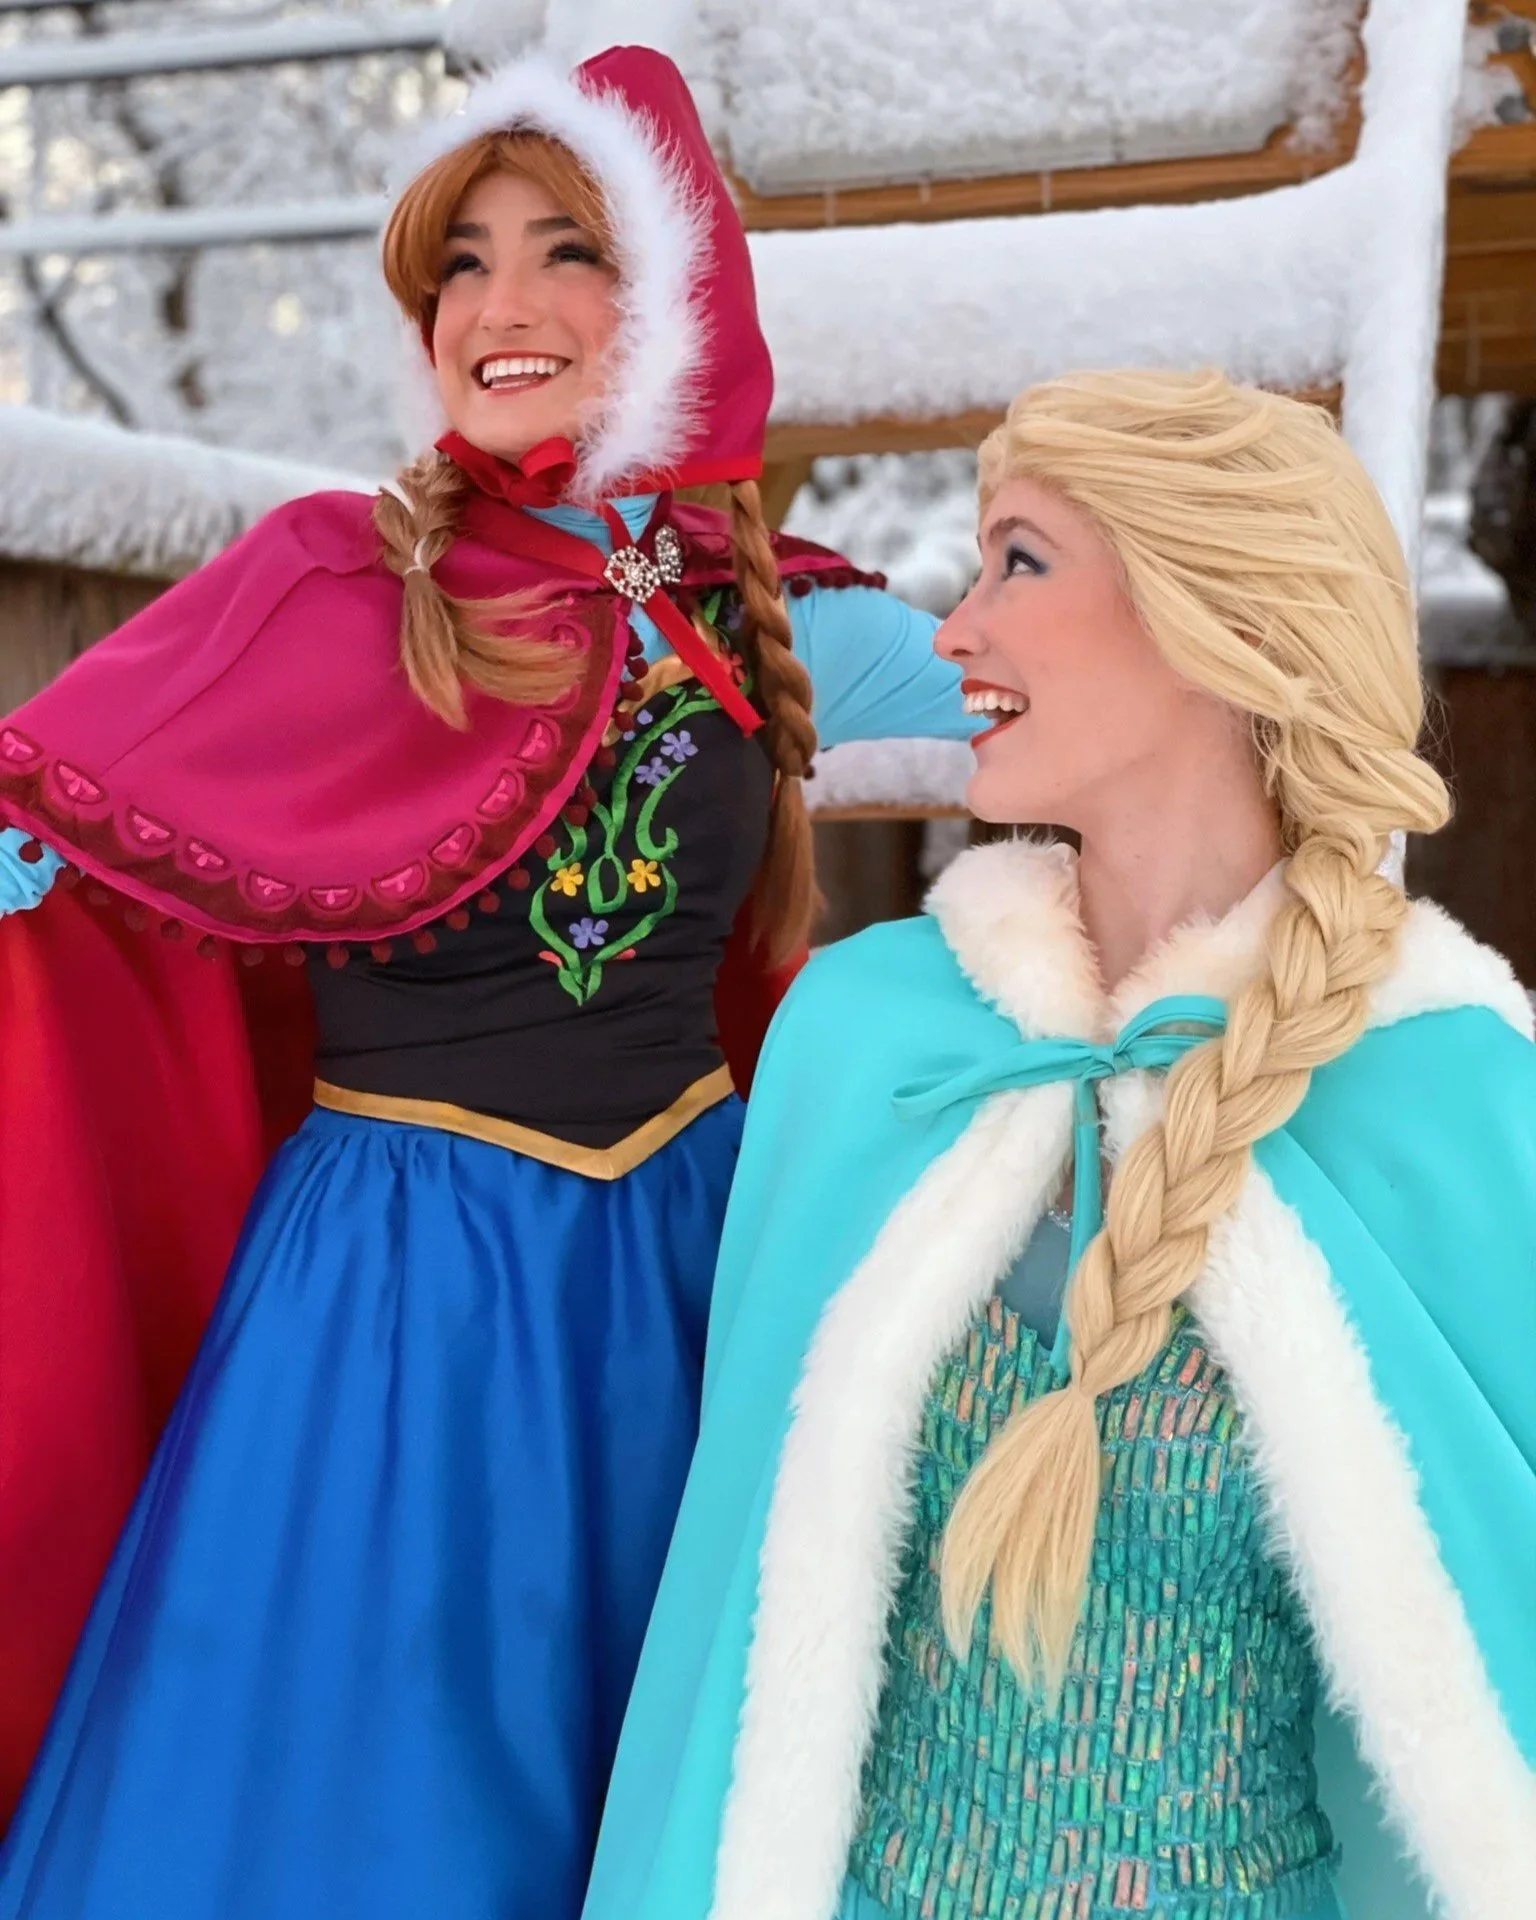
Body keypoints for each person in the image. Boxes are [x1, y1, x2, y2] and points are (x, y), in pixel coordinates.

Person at [0, 45, 973, 1920]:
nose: (501, 305)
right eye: (460, 263)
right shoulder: (330, 585)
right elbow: (54, 800)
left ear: (679, 291)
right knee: (379, 1798)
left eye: (564, 251)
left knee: (689, 1763)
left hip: (693, 1280)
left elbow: (1048, 702)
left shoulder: (763, 617)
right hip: (395, 1305)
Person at [580, 369, 1536, 1920]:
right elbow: (728, 1638)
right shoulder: (867, 1045)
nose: (954, 629)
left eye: (1019, 561)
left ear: (1211, 617)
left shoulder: (1449, 1097)